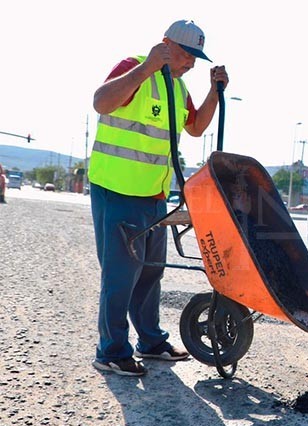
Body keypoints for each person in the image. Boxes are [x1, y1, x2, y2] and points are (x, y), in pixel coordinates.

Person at [89, 20, 229, 376]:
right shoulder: (134, 67)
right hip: (118, 191)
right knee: (120, 276)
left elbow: (195, 128)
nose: (191, 63)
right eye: (186, 54)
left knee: (151, 273)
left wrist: (215, 91)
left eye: (197, 57)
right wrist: (148, 66)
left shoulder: (178, 88)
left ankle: (150, 342)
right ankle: (111, 351)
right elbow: (101, 102)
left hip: (153, 196)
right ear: (165, 44)